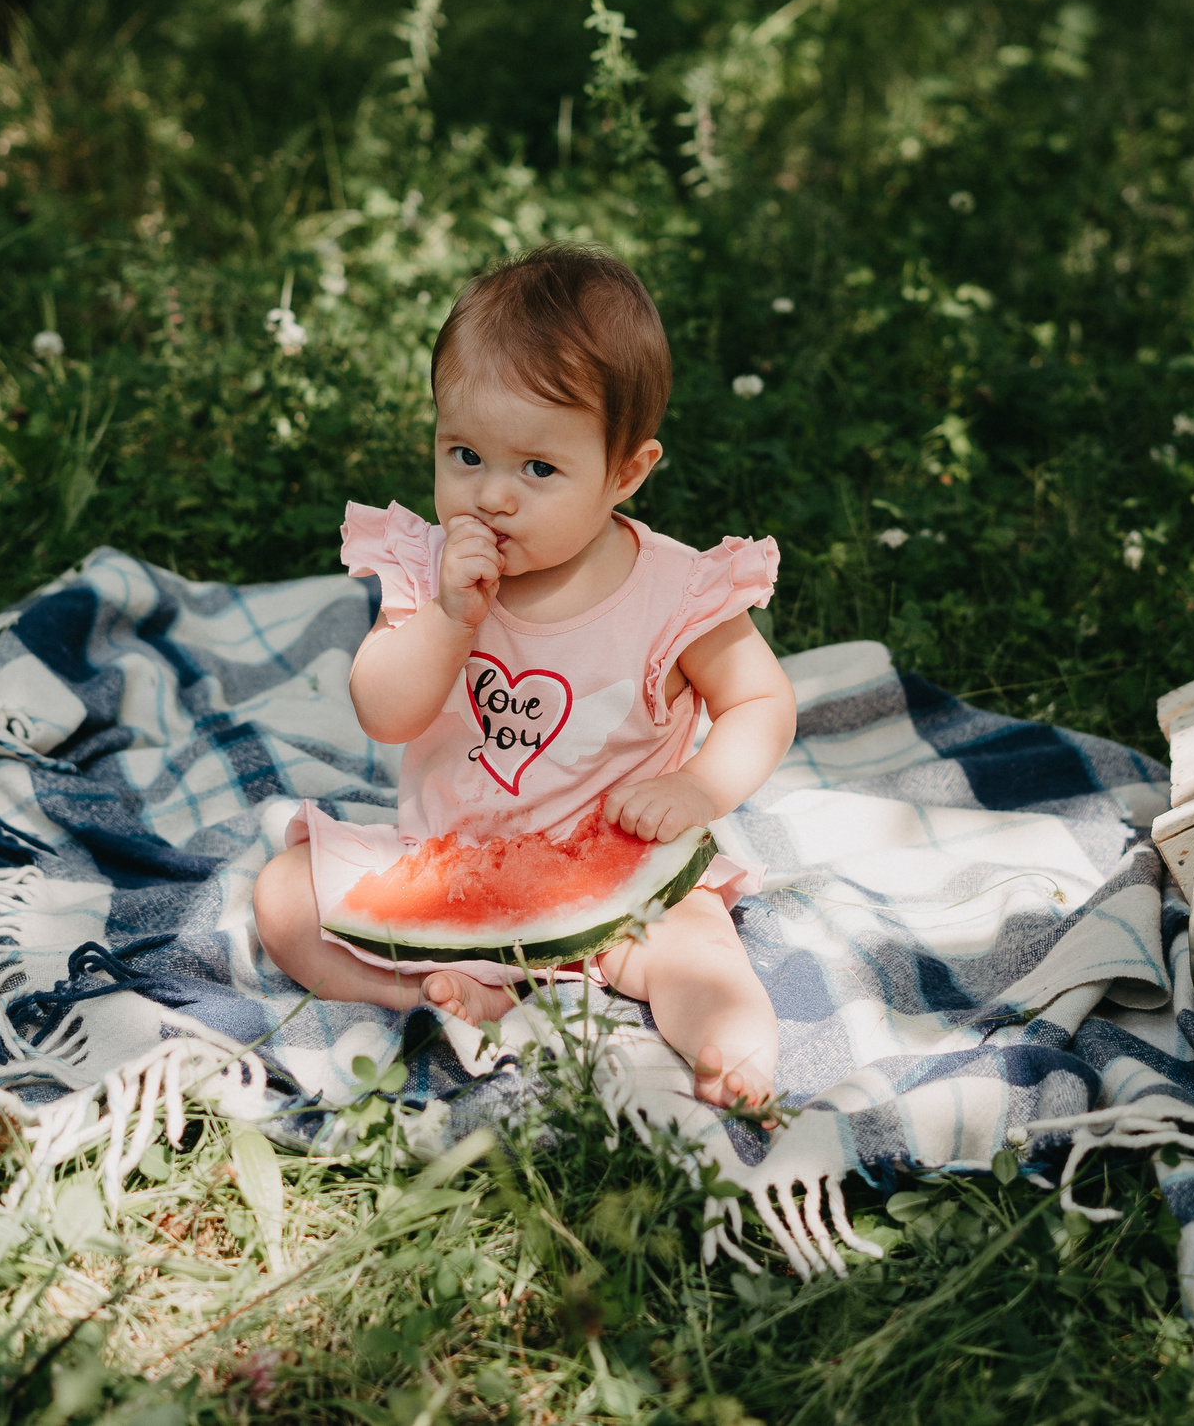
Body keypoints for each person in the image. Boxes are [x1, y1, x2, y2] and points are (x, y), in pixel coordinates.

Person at [254, 245, 794, 1114]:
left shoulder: (675, 588)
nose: (491, 497)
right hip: (452, 872)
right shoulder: (430, 570)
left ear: (627, 471)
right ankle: (448, 995)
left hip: (625, 880)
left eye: (538, 470)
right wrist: (446, 618)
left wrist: (697, 786)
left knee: (695, 946)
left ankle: (733, 1051)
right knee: (282, 896)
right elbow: (384, 713)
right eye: (465, 454)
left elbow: (761, 702)